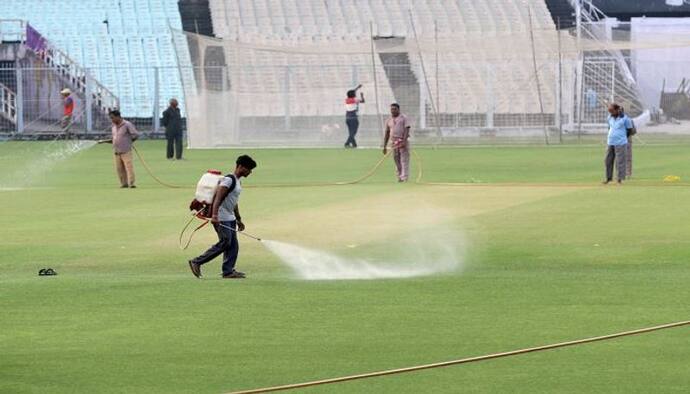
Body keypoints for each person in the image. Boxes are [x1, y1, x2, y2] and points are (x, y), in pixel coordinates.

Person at [188, 155, 257, 279]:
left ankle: (228, 271)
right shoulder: (228, 180)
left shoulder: (237, 181)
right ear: (240, 167)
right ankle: (196, 262)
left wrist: (239, 219)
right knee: (225, 242)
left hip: (230, 217)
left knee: (233, 245)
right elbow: (218, 198)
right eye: (249, 169)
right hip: (221, 216)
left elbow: (234, 202)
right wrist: (215, 216)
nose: (250, 172)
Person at [103, 109, 139, 188]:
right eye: (110, 118)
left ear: (118, 116)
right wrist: (104, 141)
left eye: (112, 118)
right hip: (116, 151)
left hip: (126, 150)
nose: (111, 120)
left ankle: (131, 183)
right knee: (119, 169)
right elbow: (114, 139)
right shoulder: (113, 127)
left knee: (129, 167)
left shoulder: (127, 124)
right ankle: (123, 184)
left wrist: (130, 141)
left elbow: (135, 135)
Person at [603, 103, 632, 185]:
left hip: (621, 142)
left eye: (612, 111)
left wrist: (623, 137)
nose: (611, 113)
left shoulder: (625, 119)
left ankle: (619, 179)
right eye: (610, 111)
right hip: (610, 142)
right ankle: (608, 178)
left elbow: (629, 130)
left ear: (617, 110)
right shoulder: (609, 117)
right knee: (608, 160)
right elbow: (609, 127)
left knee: (620, 161)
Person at [383, 103, 411, 182]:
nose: (393, 111)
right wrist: (384, 146)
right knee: (396, 160)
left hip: (402, 141)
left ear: (398, 109)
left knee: (404, 160)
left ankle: (404, 177)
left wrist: (404, 141)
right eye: (392, 109)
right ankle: (399, 176)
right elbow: (387, 133)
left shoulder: (403, 118)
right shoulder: (389, 120)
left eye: (395, 109)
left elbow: (407, 129)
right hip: (393, 143)